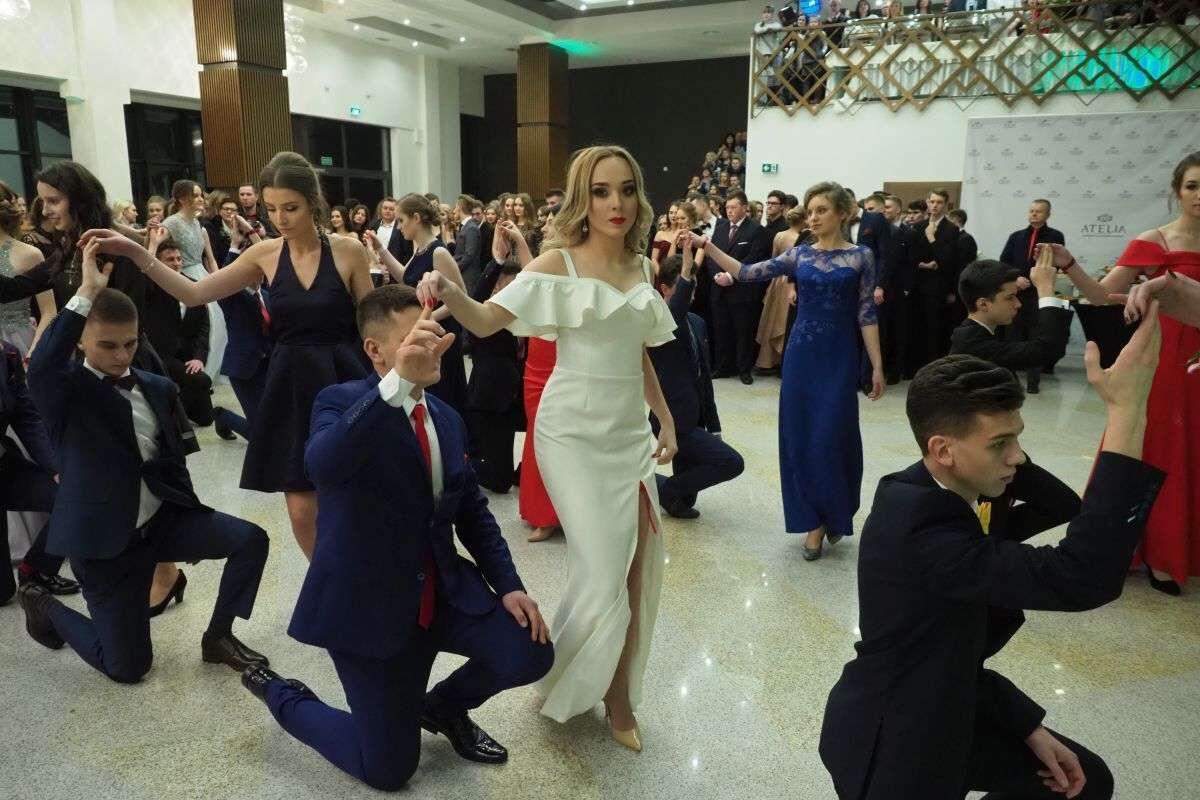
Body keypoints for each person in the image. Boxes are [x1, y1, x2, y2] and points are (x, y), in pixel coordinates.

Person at [819, 310, 1166, 799]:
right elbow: (1081, 577)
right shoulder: (919, 523)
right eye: (1001, 443)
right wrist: (1128, 413)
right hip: (895, 739)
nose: (1019, 456)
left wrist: (1025, 724)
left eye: (1018, 436)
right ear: (942, 450)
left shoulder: (937, 485)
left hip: (950, 693)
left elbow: (952, 651)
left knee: (1084, 780)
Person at [416, 144, 677, 749]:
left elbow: (637, 352)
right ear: (583, 198)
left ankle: (616, 695)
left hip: (628, 434)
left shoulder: (641, 266)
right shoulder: (559, 263)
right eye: (601, 191)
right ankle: (576, 677)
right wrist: (449, 289)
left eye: (626, 189)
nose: (615, 203)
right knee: (604, 569)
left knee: (638, 569)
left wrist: (664, 418)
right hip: (571, 434)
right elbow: (486, 320)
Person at [242, 285, 552, 789]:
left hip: (441, 593)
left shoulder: (446, 419)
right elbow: (323, 466)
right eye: (414, 339)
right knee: (388, 770)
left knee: (530, 651)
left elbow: (471, 511)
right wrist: (396, 388)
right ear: (375, 350)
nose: (432, 348)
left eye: (434, 336)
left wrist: (510, 585)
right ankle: (282, 694)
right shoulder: (340, 402)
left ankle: (442, 708)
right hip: (368, 610)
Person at [79, 151, 373, 562]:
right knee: (301, 504)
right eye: (272, 209)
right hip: (290, 384)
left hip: (344, 380)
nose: (281, 218)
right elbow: (194, 292)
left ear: (313, 202)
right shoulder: (265, 254)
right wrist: (137, 252)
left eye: (291, 208)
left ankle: (360, 573)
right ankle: (328, 580)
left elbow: (372, 323)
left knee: (353, 492)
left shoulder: (348, 251)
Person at [19, 242, 270, 682]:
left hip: (162, 523)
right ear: (80, 340)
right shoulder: (65, 393)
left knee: (251, 540)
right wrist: (86, 292)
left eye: (130, 344)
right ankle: (44, 605)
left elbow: (172, 458)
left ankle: (219, 636)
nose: (121, 356)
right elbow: (41, 367)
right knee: (128, 668)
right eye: (108, 345)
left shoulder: (157, 386)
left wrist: (189, 509)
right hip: (104, 546)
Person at [686, 181, 883, 560]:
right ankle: (813, 521)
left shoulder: (861, 256)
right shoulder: (800, 254)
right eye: (811, 211)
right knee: (802, 438)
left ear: (843, 212)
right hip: (800, 356)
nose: (814, 217)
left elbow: (866, 313)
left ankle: (835, 510)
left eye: (822, 210)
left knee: (833, 436)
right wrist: (707, 246)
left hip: (839, 357)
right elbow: (747, 272)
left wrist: (876, 365)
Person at [1038, 151, 1200, 594]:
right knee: (1157, 449)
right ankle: (1160, 554)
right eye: (1192, 186)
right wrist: (1069, 265)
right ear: (1177, 191)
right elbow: (1100, 296)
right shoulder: (1156, 241)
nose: (1199, 196)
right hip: (1162, 361)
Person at [651, 252, 744, 519]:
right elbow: (677, 309)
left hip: (696, 417)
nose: (691, 293)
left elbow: (705, 380)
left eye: (693, 285)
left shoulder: (698, 323)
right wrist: (688, 266)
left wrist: (714, 428)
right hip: (673, 421)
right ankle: (660, 488)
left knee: (683, 503)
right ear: (665, 289)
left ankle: (654, 486)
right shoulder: (660, 323)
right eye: (685, 285)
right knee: (731, 462)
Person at [364, 193, 467, 411]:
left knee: (441, 393)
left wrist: (427, 318)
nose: (399, 226)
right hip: (423, 329)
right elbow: (405, 276)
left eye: (401, 220)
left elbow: (461, 298)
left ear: (416, 218)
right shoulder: (420, 249)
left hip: (439, 332)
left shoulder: (438, 252)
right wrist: (380, 248)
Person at [0, 339, 80, 603]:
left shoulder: (8, 354)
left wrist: (57, 468)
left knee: (70, 496)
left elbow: (27, 418)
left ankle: (36, 570)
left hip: (4, 466)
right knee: (2, 593)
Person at [951, 254, 1072, 375]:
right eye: (1010, 297)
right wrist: (1045, 287)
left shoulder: (979, 332)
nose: (1018, 304)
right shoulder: (971, 343)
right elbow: (1046, 350)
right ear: (983, 304)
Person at [142, 234, 215, 428]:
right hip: (160, 354)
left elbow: (203, 328)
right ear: (158, 263)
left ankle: (174, 410)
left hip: (187, 356)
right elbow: (143, 275)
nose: (176, 263)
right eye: (170, 259)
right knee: (202, 381)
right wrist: (152, 244)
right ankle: (170, 419)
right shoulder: (151, 288)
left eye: (179, 259)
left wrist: (199, 357)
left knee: (206, 419)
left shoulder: (194, 286)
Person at [162, 180, 226, 379]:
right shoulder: (172, 222)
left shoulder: (198, 223)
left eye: (201, 195)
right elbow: (155, 246)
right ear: (182, 199)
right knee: (200, 325)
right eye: (195, 195)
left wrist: (219, 280)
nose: (201, 199)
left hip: (202, 275)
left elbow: (210, 257)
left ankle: (207, 372)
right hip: (182, 276)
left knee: (217, 325)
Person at [999, 199, 1064, 394]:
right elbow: (1004, 262)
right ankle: (1009, 381)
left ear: (1048, 214)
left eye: (1039, 211)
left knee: (1036, 338)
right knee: (1012, 337)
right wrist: (1015, 278)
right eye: (1031, 211)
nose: (1034, 214)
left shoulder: (1055, 236)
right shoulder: (1016, 236)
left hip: (1038, 295)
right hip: (1016, 294)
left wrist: (1037, 279)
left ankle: (1033, 383)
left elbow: (1056, 263)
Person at [709, 191, 772, 385]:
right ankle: (722, 367)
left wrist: (731, 276)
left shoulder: (756, 230)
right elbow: (712, 254)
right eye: (727, 207)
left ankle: (744, 370)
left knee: (743, 332)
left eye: (733, 207)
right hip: (719, 289)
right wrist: (717, 275)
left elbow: (755, 258)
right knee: (721, 330)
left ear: (744, 208)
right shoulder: (721, 228)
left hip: (742, 291)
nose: (729, 211)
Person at [904, 189, 962, 376]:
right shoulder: (918, 226)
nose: (935, 205)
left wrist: (932, 239)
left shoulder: (951, 229)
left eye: (939, 202)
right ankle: (914, 367)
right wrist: (921, 264)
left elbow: (948, 259)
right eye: (932, 201)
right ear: (927, 203)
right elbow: (911, 255)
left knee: (934, 328)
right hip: (917, 284)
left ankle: (934, 369)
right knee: (915, 326)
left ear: (946, 205)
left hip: (937, 286)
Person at [755, 206, 808, 373]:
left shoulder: (779, 235)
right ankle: (783, 361)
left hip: (778, 280)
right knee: (785, 322)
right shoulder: (803, 238)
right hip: (793, 282)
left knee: (773, 321)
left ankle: (768, 360)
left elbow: (774, 260)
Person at [453, 194, 484, 293]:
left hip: (469, 277)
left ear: (460, 207)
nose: (454, 211)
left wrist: (455, 268)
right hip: (464, 274)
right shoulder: (465, 226)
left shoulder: (471, 228)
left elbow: (469, 254)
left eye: (455, 207)